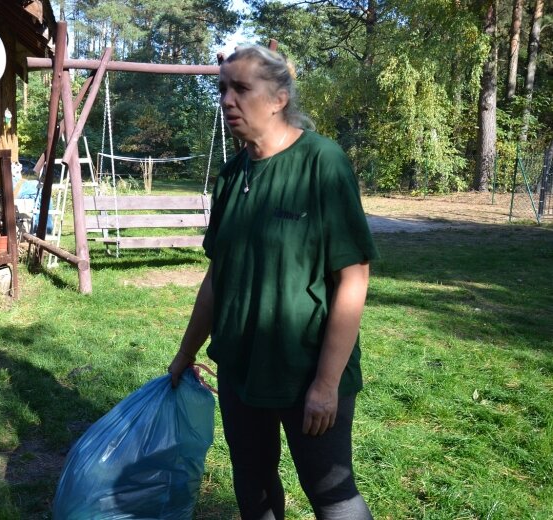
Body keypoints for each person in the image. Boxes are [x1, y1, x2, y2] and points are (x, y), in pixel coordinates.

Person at [168, 45, 378, 520]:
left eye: (241, 88)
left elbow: (353, 276)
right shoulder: (231, 175)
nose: (226, 99)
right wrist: (186, 352)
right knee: (253, 482)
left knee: (331, 491)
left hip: (305, 372)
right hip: (241, 370)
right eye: (222, 88)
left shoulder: (322, 163)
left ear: (280, 96)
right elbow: (218, 275)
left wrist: (325, 384)